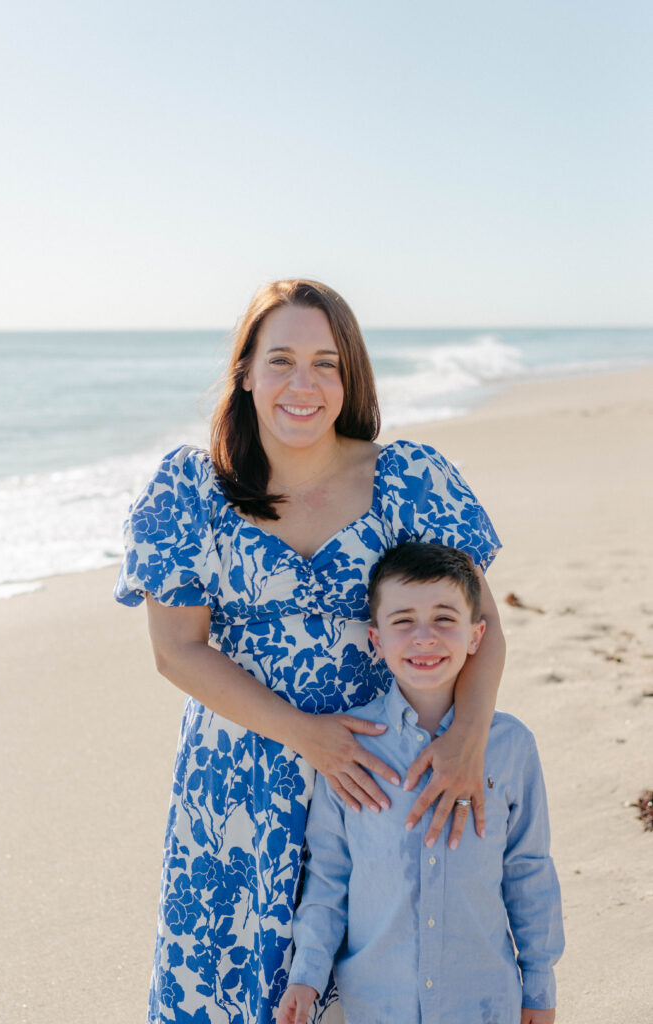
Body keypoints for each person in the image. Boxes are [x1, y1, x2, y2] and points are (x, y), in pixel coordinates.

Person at [114, 280, 505, 1024]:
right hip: (234, 790)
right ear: (246, 373)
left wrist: (467, 738)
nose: (304, 384)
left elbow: (481, 628)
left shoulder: (408, 482)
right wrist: (306, 736)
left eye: (326, 363)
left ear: (350, 377)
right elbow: (176, 651)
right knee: (227, 988)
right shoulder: (190, 490)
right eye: (282, 359)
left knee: (375, 988)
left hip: (377, 778)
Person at [279, 542, 564, 1024]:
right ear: (375, 639)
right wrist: (306, 976)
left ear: (477, 636)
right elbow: (328, 879)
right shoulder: (348, 749)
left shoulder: (512, 746)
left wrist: (538, 985)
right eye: (403, 621)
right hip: (378, 1002)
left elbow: (529, 870)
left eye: (445, 619)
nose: (424, 637)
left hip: (484, 1000)